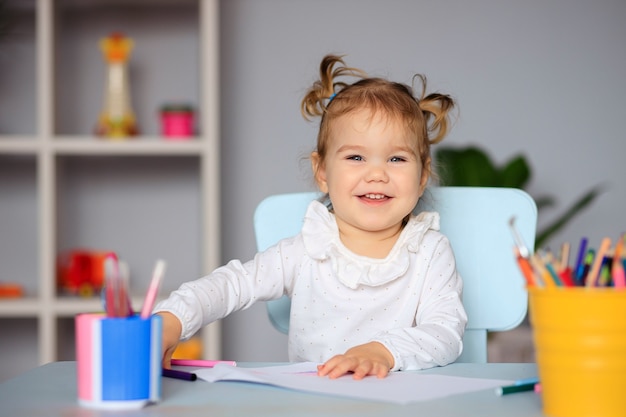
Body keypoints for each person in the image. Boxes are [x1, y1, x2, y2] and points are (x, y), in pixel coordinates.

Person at [155, 54, 468, 380]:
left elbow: (445, 333)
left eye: (397, 158)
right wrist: (174, 318)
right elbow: (233, 284)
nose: (377, 174)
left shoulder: (431, 251)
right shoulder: (307, 250)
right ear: (322, 171)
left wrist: (383, 351)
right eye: (356, 156)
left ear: (422, 177)